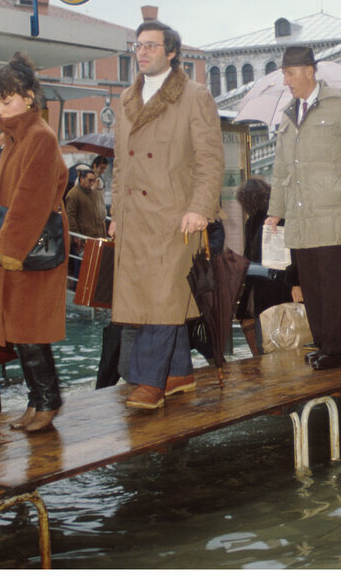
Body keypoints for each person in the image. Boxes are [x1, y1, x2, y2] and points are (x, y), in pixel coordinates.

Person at [110, 20, 224, 406]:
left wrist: (200, 208)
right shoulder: (126, 100)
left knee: (160, 298)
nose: (142, 52)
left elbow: (210, 159)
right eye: (138, 46)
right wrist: (115, 214)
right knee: (158, 297)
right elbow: (120, 167)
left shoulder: (195, 96)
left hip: (176, 217)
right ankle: (178, 372)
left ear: (172, 52)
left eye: (151, 46)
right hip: (134, 218)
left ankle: (149, 381)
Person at [265, 46, 341, 370]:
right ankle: (323, 344)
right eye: (284, 73)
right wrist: (276, 210)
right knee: (311, 285)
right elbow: (281, 167)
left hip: (331, 210)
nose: (286, 80)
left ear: (309, 71)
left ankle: (334, 349)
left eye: (290, 73)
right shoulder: (288, 115)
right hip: (300, 215)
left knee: (332, 284)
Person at [0, 52, 69, 432]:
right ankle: (38, 400)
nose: (2, 107)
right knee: (19, 328)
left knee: (30, 327)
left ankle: (48, 400)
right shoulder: (6, 138)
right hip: (13, 244)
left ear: (30, 96)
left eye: (9, 99)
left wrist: (10, 250)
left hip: (28, 248)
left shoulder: (38, 137)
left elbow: (32, 200)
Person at [234, 178, 292, 353]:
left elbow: (250, 255)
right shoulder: (278, 217)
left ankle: (265, 360)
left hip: (262, 282)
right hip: (281, 281)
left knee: (263, 333)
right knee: (281, 326)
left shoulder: (253, 221)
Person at [65, 165, 107, 239]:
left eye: (93, 181)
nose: (92, 183)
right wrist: (76, 237)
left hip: (98, 236)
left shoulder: (93, 192)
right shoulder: (73, 194)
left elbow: (99, 213)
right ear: (81, 179)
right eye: (90, 180)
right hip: (83, 237)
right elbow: (70, 217)